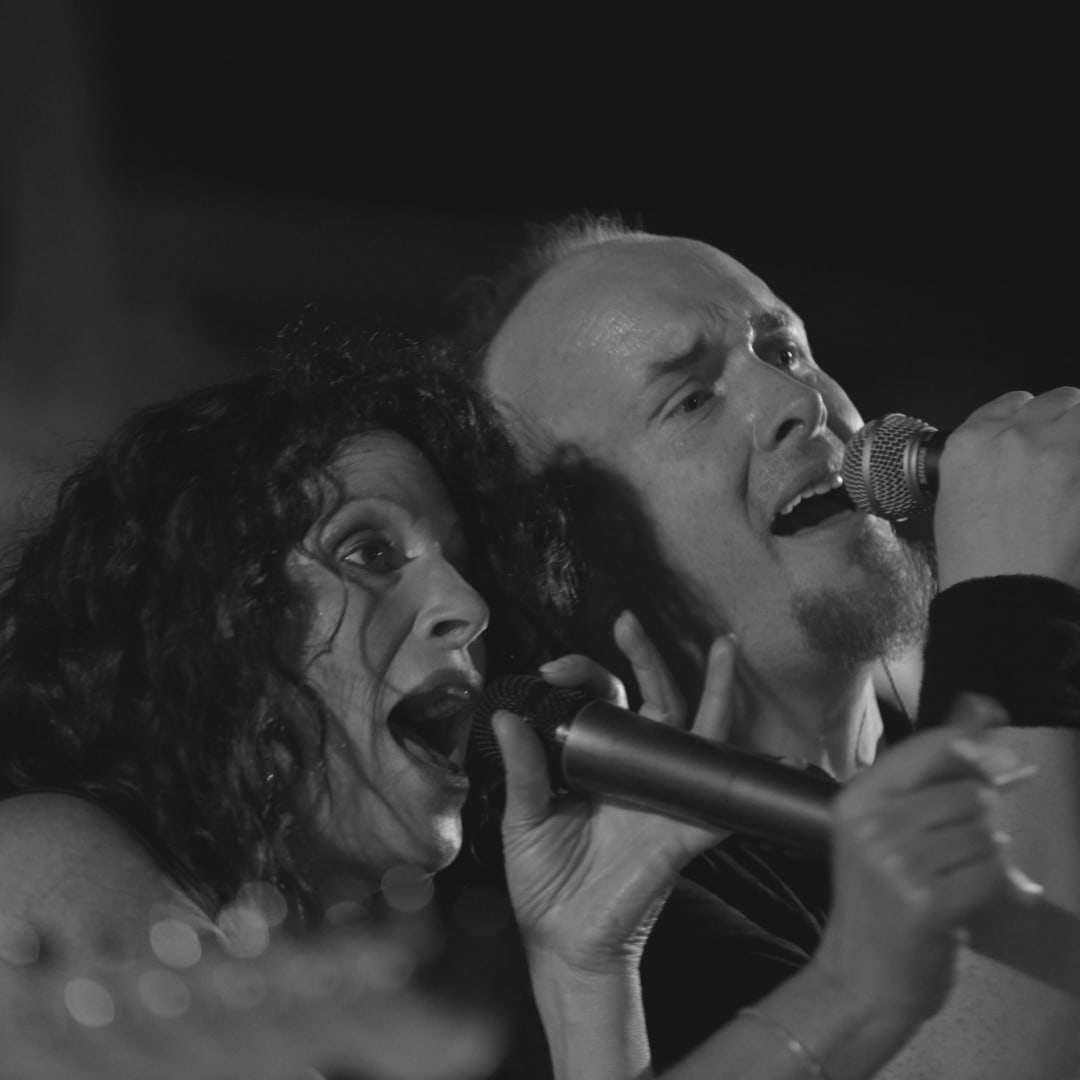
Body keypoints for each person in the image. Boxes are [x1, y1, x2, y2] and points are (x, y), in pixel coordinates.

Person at [0, 323, 1027, 1079]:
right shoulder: (43, 858)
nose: (466, 606)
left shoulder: (368, 979)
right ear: (208, 622)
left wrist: (587, 974)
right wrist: (852, 990)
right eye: (367, 553)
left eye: (460, 561)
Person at [448, 213, 1080, 1078]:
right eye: (691, 400)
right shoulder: (628, 908)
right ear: (576, 564)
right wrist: (1011, 611)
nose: (800, 402)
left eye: (784, 350)